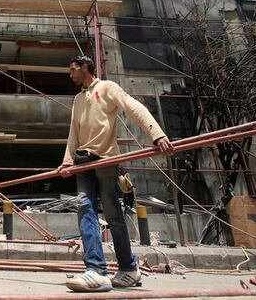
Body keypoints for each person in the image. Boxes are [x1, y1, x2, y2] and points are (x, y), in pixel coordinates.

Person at [58, 55, 174, 292]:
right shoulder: (78, 99)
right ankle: (96, 270)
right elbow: (73, 132)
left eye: (73, 70)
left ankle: (128, 268)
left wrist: (157, 134)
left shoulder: (107, 88)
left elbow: (133, 106)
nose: (71, 74)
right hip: (83, 163)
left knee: (113, 215)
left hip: (106, 160)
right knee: (85, 208)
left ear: (84, 68)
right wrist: (67, 161)